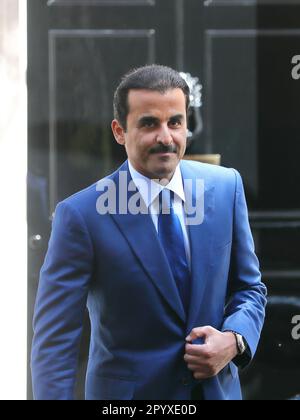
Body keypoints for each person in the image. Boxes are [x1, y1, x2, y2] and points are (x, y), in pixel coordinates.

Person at [31, 64, 267, 400]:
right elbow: (55, 342)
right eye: (148, 123)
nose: (165, 137)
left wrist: (234, 340)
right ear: (119, 131)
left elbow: (250, 288)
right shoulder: (80, 215)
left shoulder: (226, 186)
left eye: (175, 122)